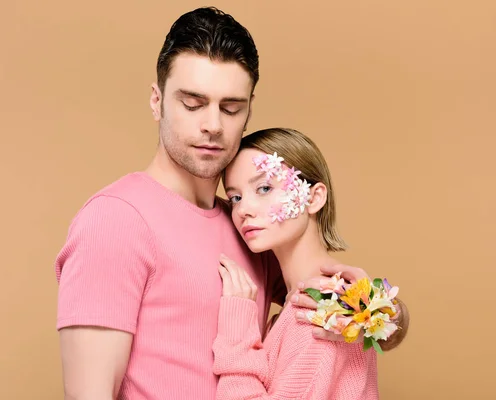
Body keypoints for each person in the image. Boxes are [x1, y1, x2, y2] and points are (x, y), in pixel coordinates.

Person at [54, 6, 409, 400]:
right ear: (157, 102)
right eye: (192, 103)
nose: (213, 125)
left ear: (248, 111)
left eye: (231, 108)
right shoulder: (115, 221)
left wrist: (382, 311)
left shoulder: (248, 225)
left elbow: (324, 331)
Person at [213, 127, 390, 399]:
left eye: (264, 188)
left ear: (315, 197)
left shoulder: (321, 312)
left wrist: (237, 332)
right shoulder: (331, 304)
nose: (243, 209)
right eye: (235, 197)